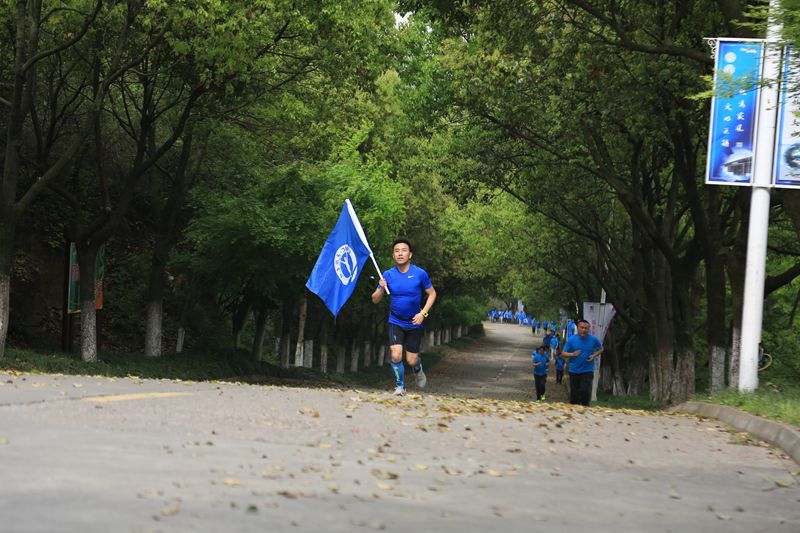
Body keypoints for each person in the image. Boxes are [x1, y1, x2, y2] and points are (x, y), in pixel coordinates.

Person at [371, 238, 437, 395]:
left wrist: (423, 313)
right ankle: (400, 387)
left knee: (411, 359)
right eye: (397, 251)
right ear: (393, 256)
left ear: (410, 254)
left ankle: (417, 368)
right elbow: (375, 299)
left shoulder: (420, 274)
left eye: (404, 250)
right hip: (395, 321)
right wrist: (381, 288)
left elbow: (432, 294)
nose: (400, 253)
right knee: (395, 354)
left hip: (414, 322)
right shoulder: (387, 275)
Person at [561, 319, 603, 406]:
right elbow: (563, 353)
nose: (584, 330)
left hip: (587, 370)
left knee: (584, 390)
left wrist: (594, 355)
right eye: (582, 327)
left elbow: (601, 349)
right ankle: (575, 409)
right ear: (578, 328)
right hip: (574, 370)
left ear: (589, 329)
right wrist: (572, 354)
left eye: (586, 328)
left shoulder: (593, 339)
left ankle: (585, 405)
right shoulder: (571, 340)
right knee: (574, 395)